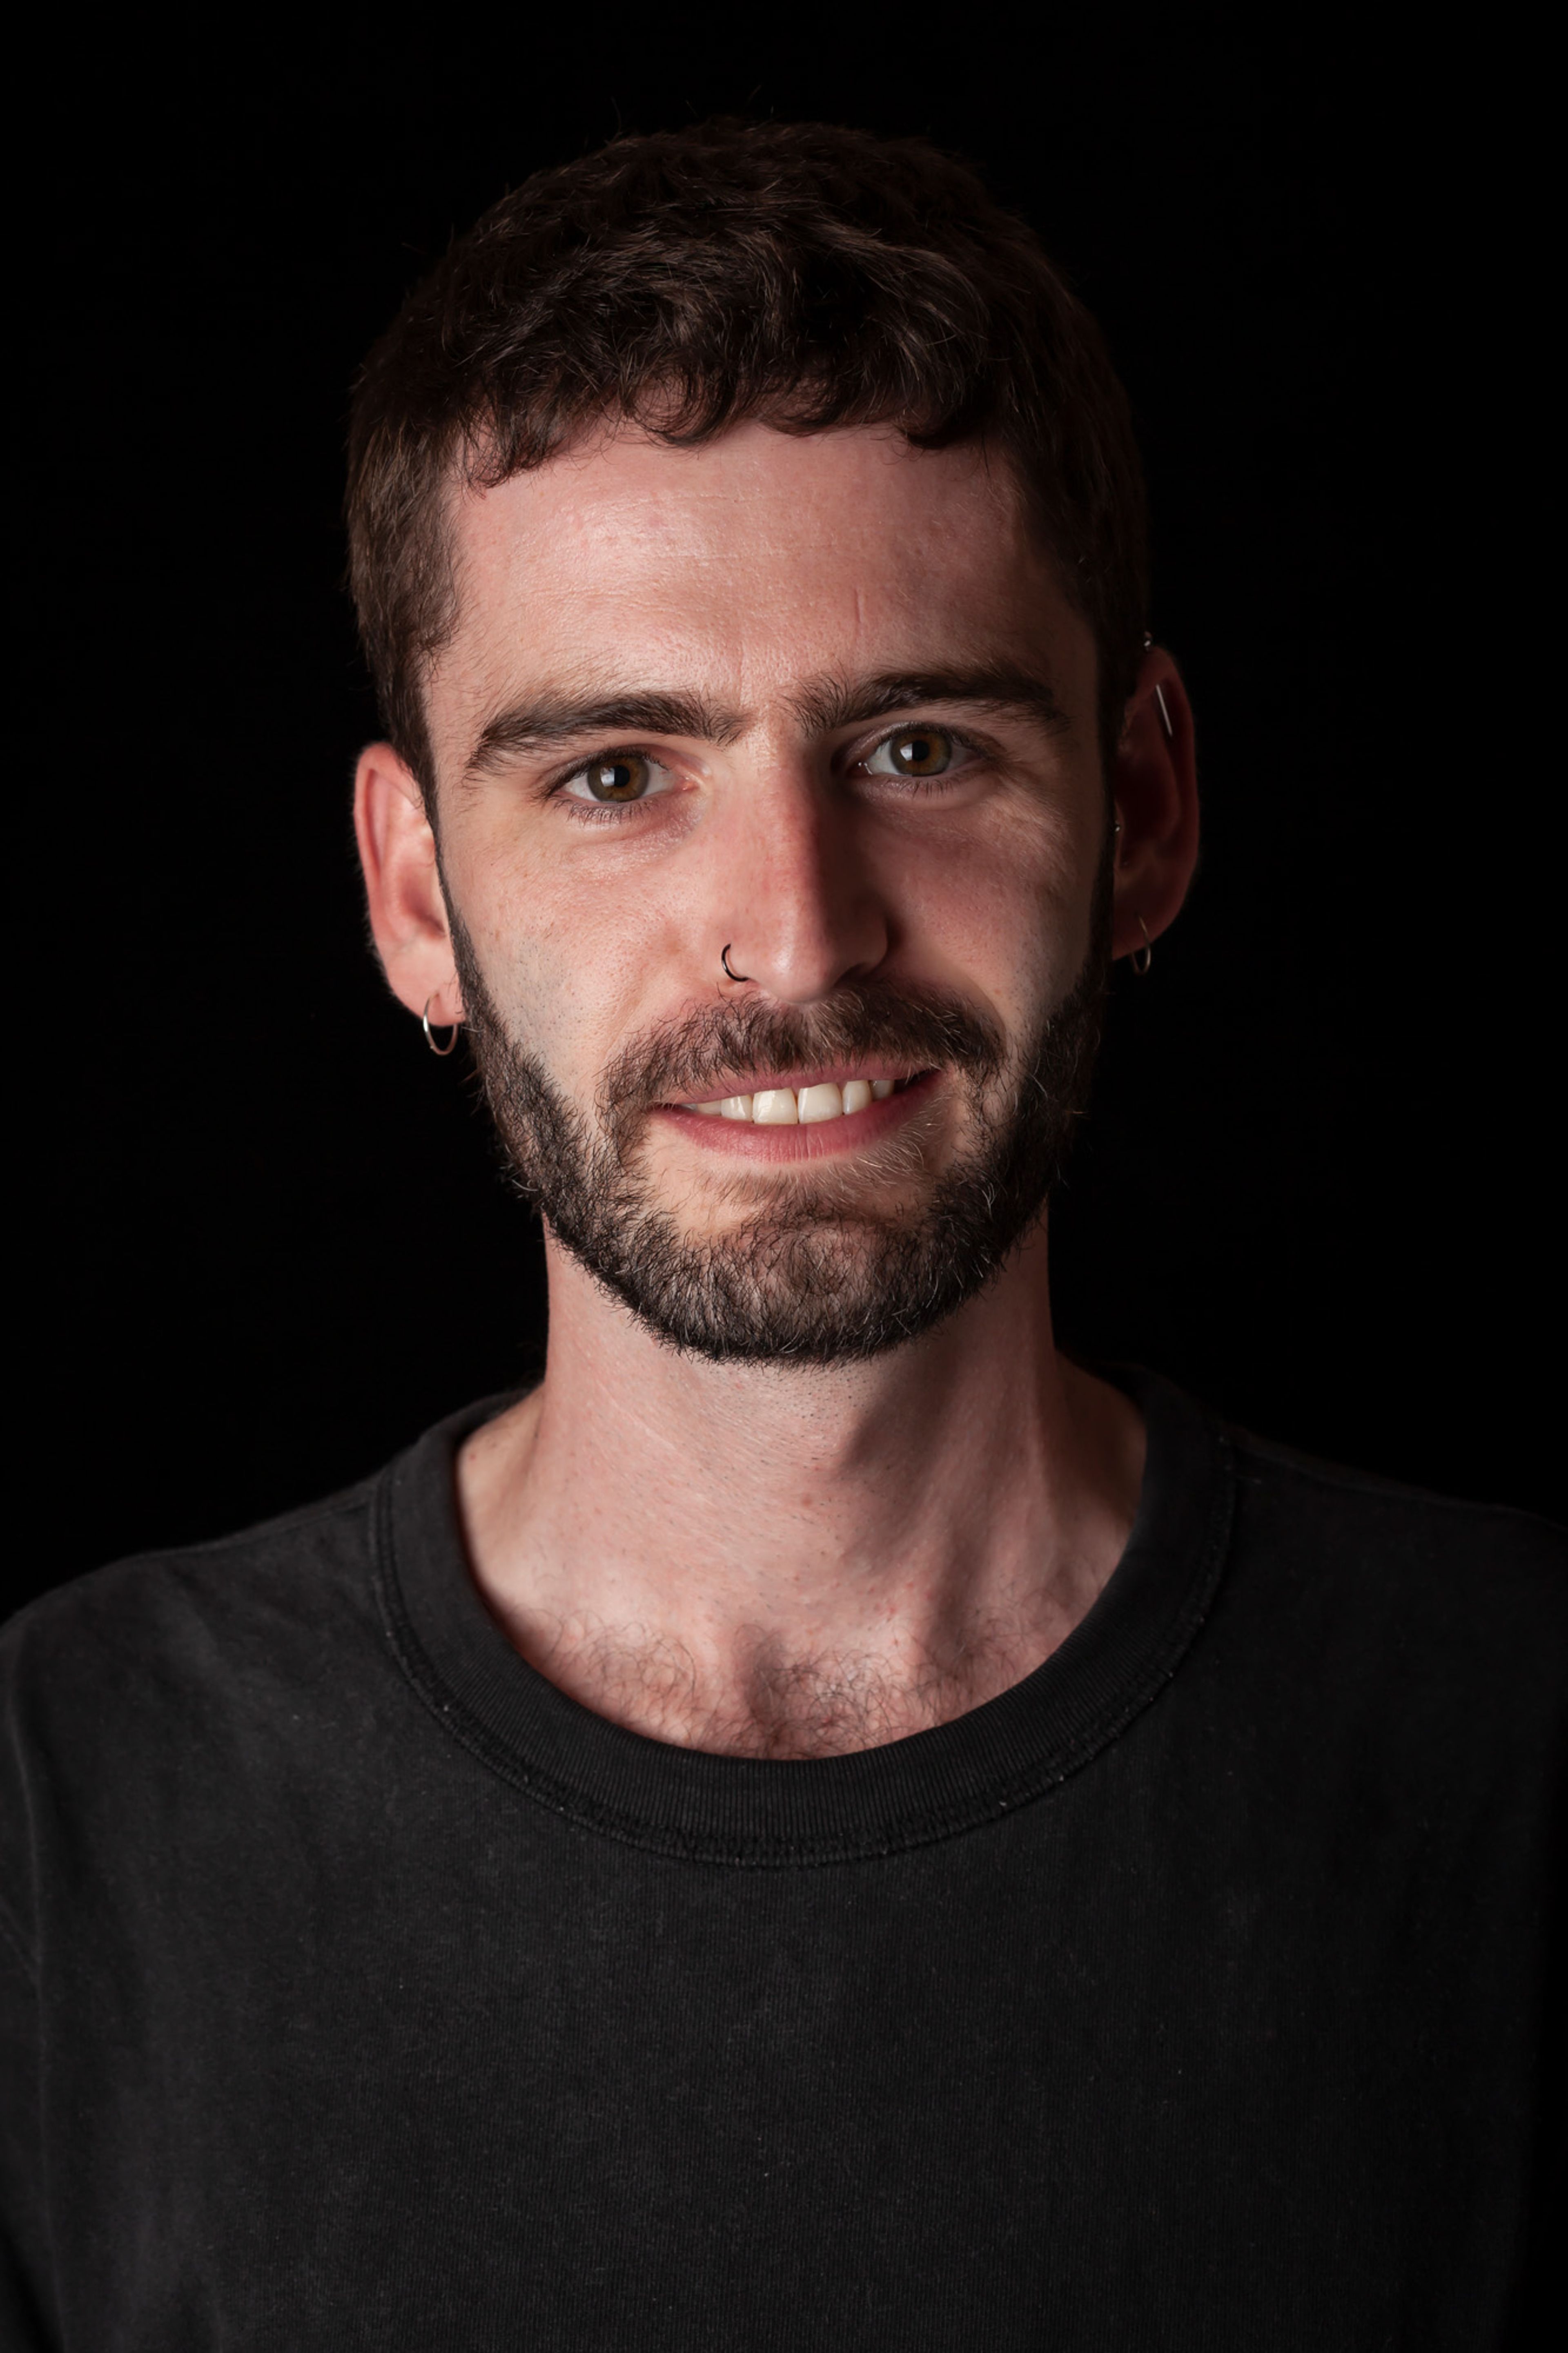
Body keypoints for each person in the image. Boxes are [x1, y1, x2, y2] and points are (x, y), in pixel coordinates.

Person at [1, 119, 1560, 2352]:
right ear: (415, 893)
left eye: (919, 745)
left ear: (1145, 808)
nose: (795, 937)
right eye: (619, 774)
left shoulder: (1512, 1732)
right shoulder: (67, 1810)